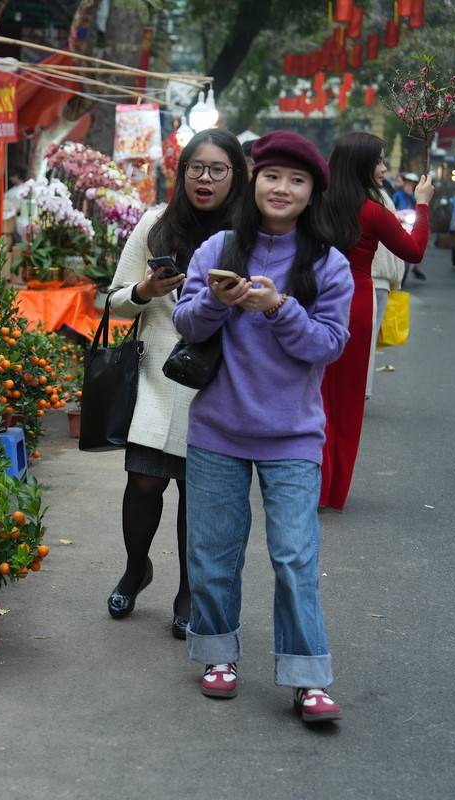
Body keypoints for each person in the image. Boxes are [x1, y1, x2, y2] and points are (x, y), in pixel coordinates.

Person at [173, 130, 353, 724]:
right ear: (254, 179)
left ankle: (307, 676)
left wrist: (278, 308)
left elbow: (328, 346)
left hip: (293, 435)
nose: (283, 188)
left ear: (311, 194)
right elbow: (187, 324)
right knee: (212, 552)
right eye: (273, 175)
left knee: (295, 555)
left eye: (297, 181)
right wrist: (220, 301)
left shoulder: (329, 264)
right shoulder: (220, 247)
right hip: (217, 430)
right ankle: (217, 654)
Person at [105, 128, 248, 639]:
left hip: (217, 378)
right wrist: (145, 289)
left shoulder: (249, 235)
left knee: (197, 492)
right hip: (156, 375)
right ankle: (135, 567)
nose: (204, 179)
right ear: (181, 172)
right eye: (196, 168)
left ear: (237, 176)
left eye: (217, 170)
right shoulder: (153, 225)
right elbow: (114, 300)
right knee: (143, 481)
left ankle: (188, 592)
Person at [320, 132, 431, 510]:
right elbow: (414, 251)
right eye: (379, 161)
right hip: (355, 304)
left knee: (312, 394)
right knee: (347, 400)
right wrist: (422, 205)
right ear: (363, 165)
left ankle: (308, 482)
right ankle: (333, 491)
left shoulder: (314, 203)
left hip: (313, 301)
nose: (384, 168)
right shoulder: (372, 211)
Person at [366, 193, 404, 400]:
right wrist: (396, 280)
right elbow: (399, 243)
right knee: (368, 340)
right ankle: (363, 389)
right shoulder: (382, 198)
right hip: (380, 279)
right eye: (378, 161)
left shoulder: (337, 191)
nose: (383, 168)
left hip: (355, 278)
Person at [392, 173, 427, 281]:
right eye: (406, 182)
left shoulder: (416, 195)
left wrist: (411, 194)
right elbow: (393, 206)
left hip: (413, 220)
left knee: (420, 239)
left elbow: (420, 205)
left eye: (410, 183)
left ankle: (417, 267)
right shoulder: (398, 194)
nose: (408, 184)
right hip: (401, 219)